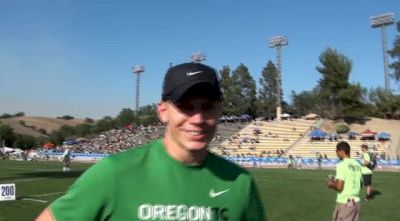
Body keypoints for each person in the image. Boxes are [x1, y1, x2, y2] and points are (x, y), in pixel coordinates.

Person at [36, 63, 266, 221]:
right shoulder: (114, 172)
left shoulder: (240, 183)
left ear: (220, 111)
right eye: (186, 106)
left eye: (208, 107)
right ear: (163, 111)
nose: (198, 119)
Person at [327, 141, 362, 221]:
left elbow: (339, 187)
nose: (336, 154)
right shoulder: (357, 164)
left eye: (337, 151)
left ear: (342, 152)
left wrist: (330, 183)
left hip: (345, 202)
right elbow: (360, 183)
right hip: (355, 201)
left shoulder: (342, 165)